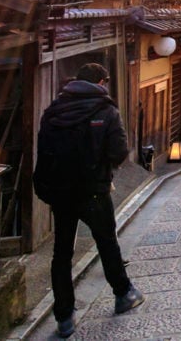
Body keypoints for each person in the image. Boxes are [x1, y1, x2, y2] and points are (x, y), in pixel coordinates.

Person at [33, 63, 143, 339]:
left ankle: (64, 317)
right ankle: (123, 294)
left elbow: (44, 149)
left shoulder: (53, 111)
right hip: (93, 189)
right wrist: (101, 167)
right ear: (101, 82)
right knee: (107, 242)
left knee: (62, 252)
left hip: (60, 190)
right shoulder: (105, 111)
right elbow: (119, 151)